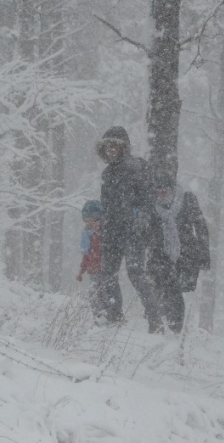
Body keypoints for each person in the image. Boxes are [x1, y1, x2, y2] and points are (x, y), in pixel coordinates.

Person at [95, 126, 159, 328]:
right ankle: (114, 316)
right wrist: (102, 228)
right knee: (108, 274)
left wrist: (139, 217)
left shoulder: (136, 167)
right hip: (112, 232)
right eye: (107, 147)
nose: (111, 150)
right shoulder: (107, 173)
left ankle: (155, 318)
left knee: (135, 273)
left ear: (123, 148)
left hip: (132, 232)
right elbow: (106, 205)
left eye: (115, 146)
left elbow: (148, 197)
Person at [147, 172, 211, 333]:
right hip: (160, 254)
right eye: (158, 191)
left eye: (165, 191)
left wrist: (204, 254)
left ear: (173, 190)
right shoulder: (152, 205)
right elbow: (147, 230)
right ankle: (160, 327)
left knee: (175, 291)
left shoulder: (187, 200)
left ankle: (177, 329)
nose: (162, 195)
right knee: (161, 289)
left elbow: (200, 226)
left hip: (185, 254)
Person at [76, 200, 107, 319]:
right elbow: (86, 256)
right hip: (93, 270)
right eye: (86, 220)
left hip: (104, 269)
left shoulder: (102, 235)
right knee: (94, 293)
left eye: (93, 220)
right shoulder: (87, 236)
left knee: (104, 292)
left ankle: (107, 315)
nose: (89, 223)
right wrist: (81, 271)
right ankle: (97, 316)